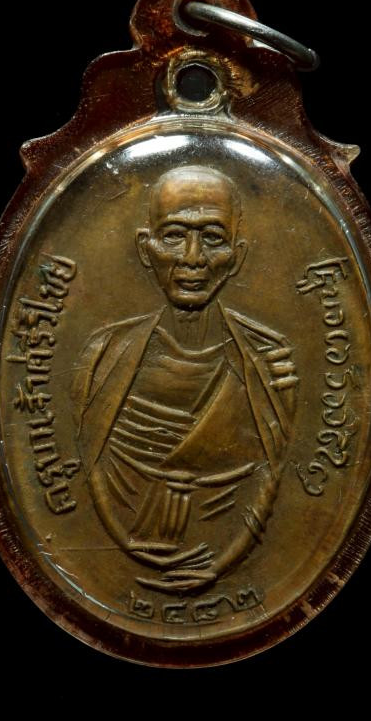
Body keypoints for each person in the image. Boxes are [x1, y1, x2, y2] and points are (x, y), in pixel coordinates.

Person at [71, 165, 298, 593]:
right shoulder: (102, 356)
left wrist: (219, 566)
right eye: (174, 235)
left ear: (237, 256)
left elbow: (272, 475)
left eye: (212, 237)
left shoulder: (269, 362)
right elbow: (89, 467)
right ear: (146, 248)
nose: (192, 258)